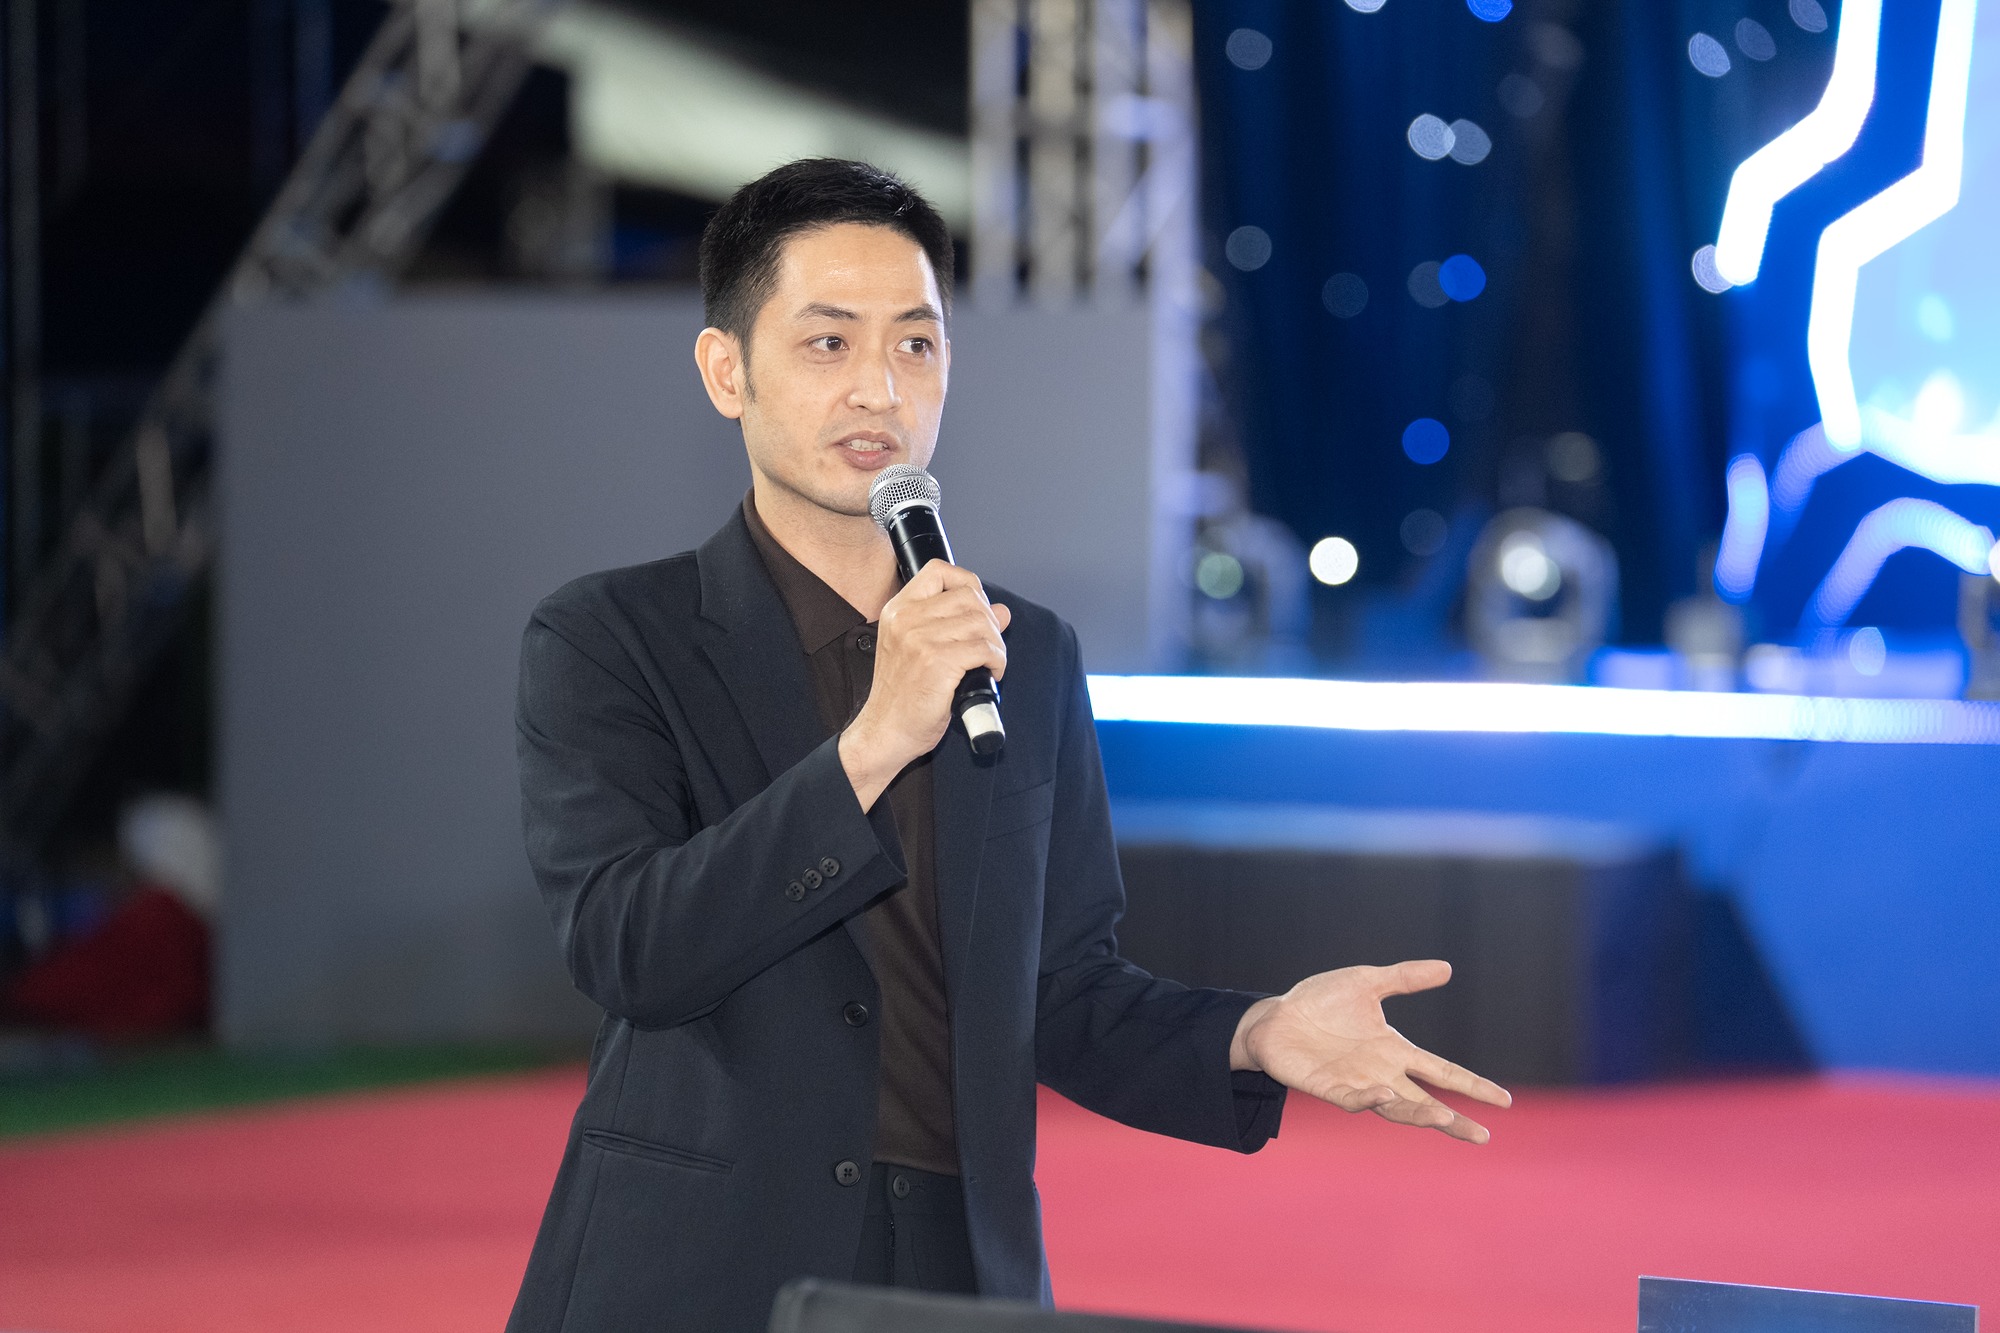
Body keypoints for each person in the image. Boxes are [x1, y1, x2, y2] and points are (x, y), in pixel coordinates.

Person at [505, 158, 1510, 1333]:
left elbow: (1064, 989)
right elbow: (632, 948)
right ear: (727, 371)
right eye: (827, 343)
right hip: (694, 1268)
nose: (878, 387)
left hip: (955, 1264)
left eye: (914, 343)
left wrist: (1255, 1033)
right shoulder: (610, 636)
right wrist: (876, 737)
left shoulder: (1021, 653)